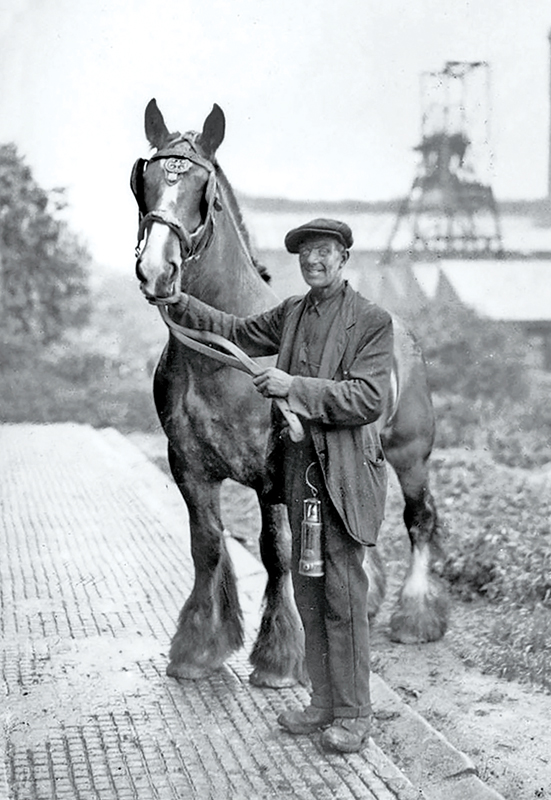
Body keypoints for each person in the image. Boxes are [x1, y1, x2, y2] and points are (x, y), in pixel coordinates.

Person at [165, 218, 393, 754]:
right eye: (306, 253)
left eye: (324, 251)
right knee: (309, 594)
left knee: (342, 596)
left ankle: (355, 717)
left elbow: (366, 399)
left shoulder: (371, 321)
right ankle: (321, 706)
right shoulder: (292, 313)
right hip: (301, 479)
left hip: (343, 476)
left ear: (343, 258)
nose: (313, 260)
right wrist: (177, 302)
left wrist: (295, 387)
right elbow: (237, 330)